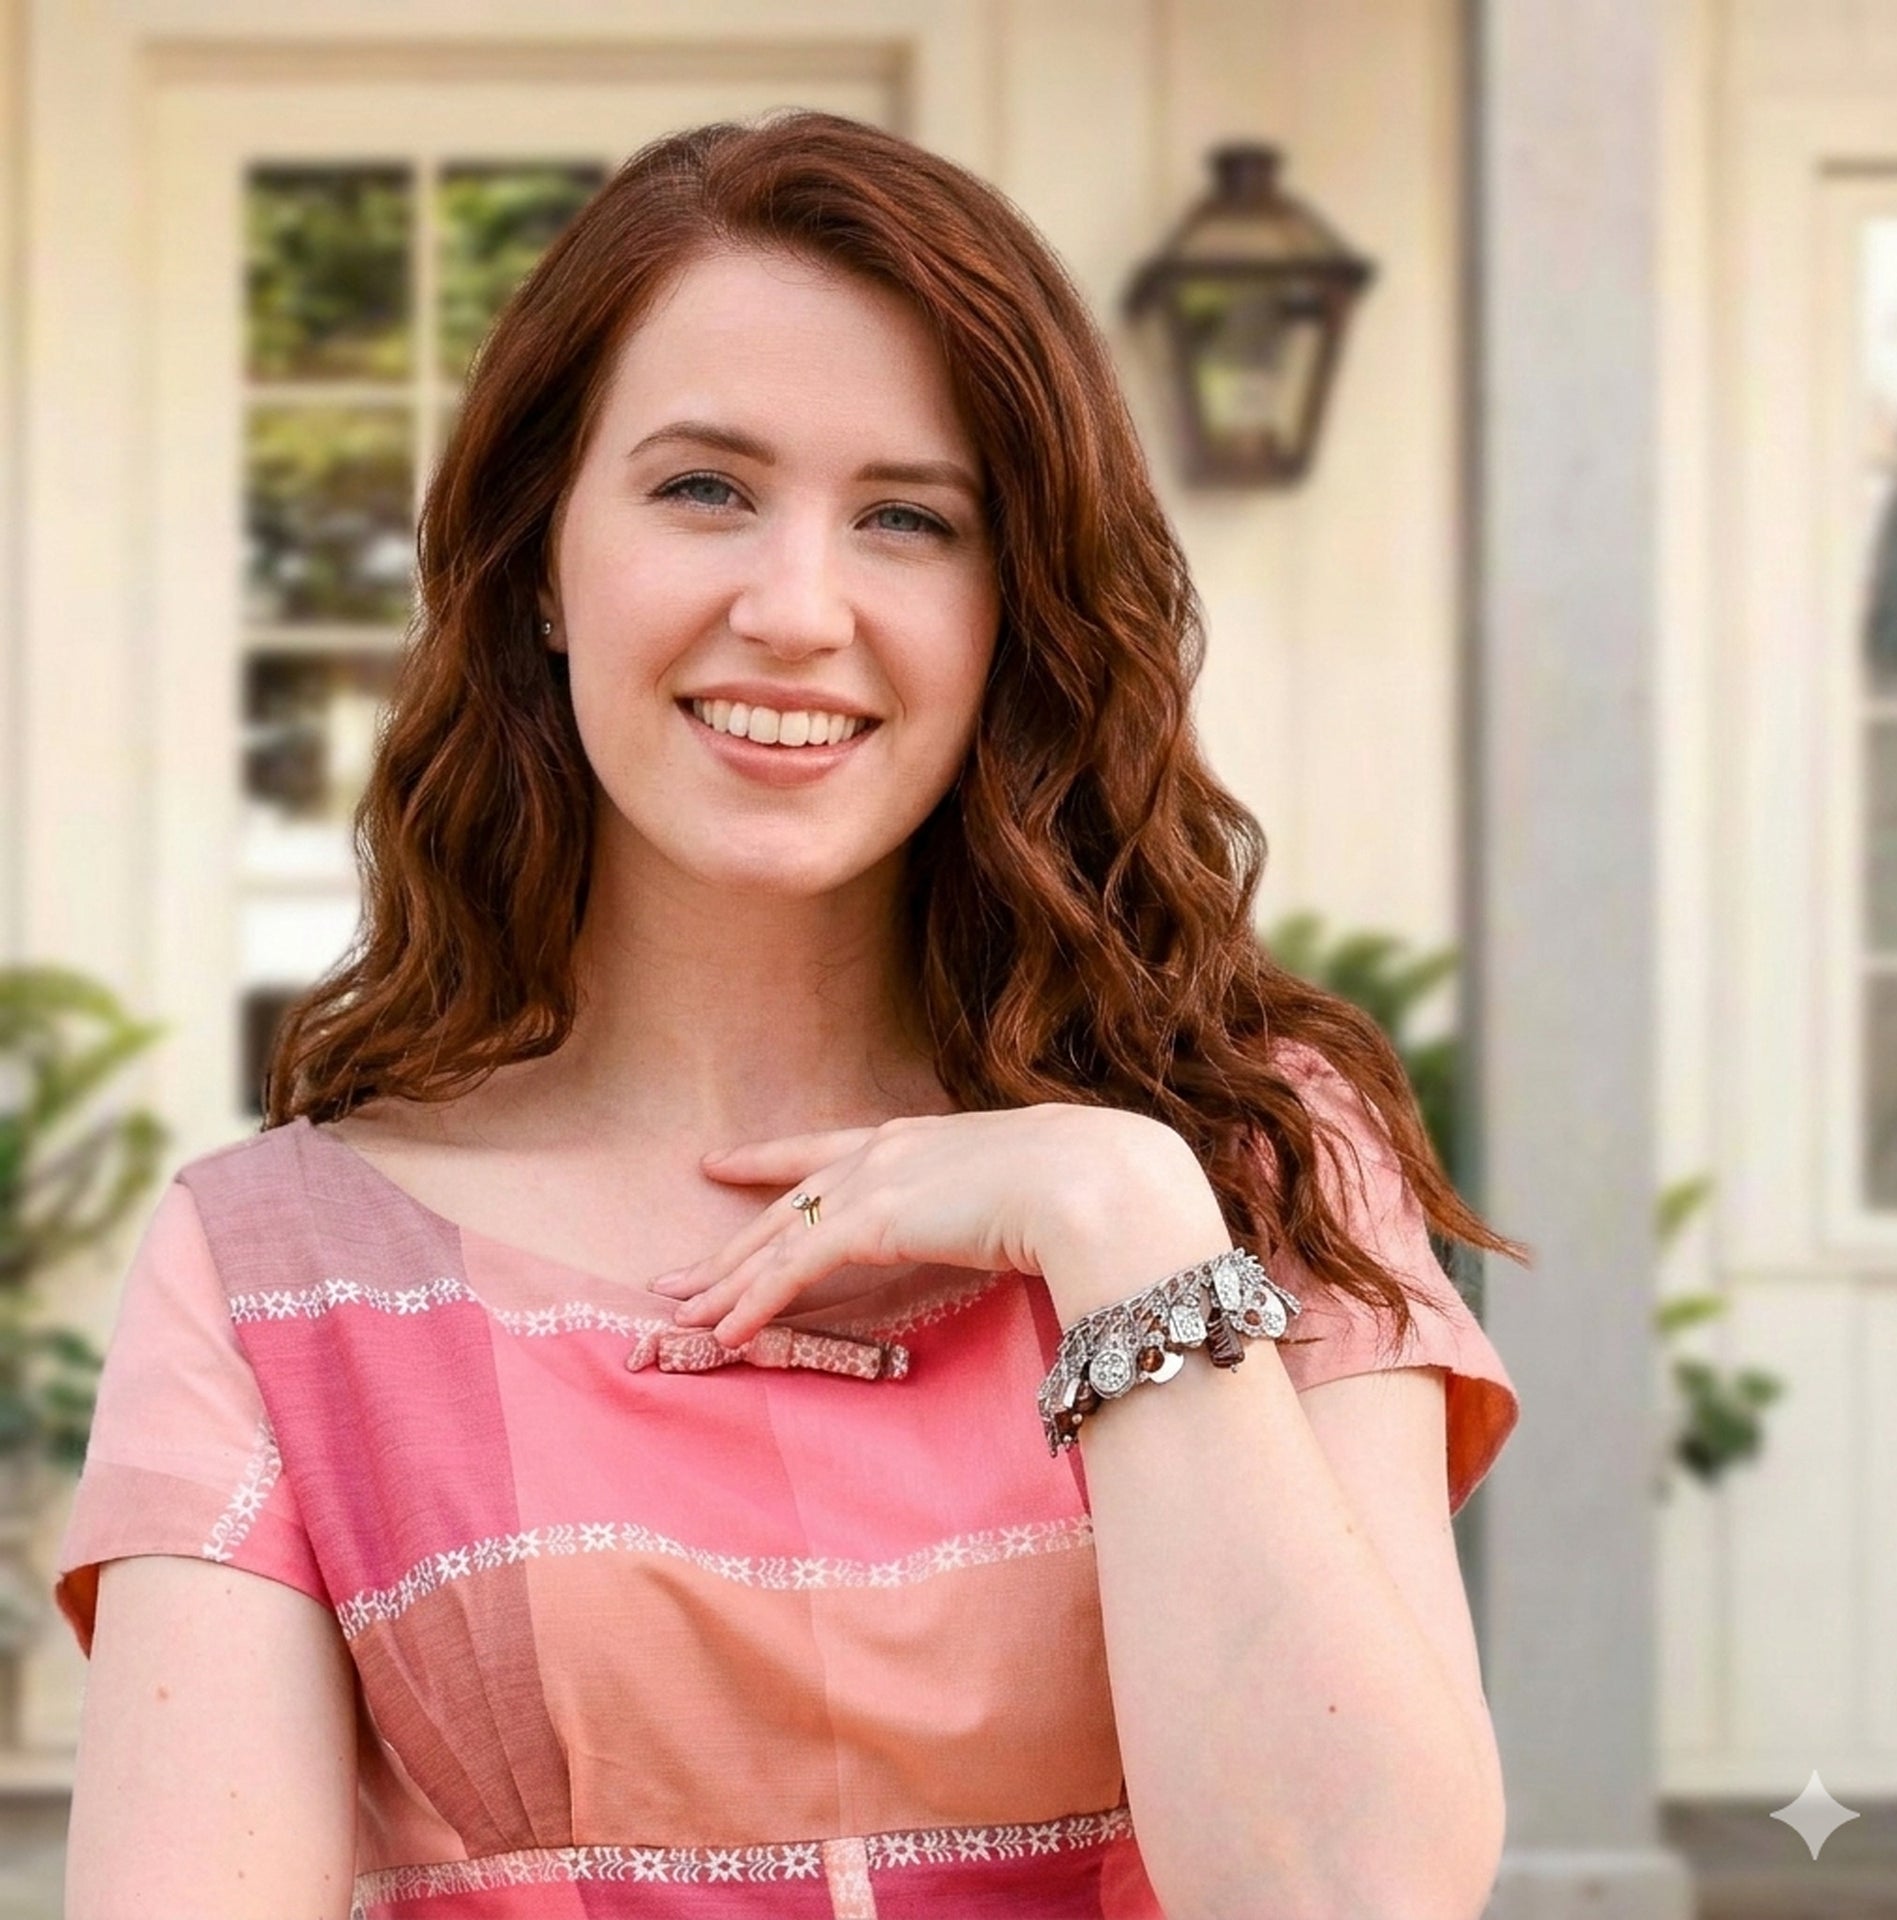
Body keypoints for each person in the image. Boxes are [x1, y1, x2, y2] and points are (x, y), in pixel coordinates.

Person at [54, 109, 1525, 1920]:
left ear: (1018, 611)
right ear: (536, 562)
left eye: (910, 518)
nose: (796, 608)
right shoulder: (275, 1278)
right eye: (703, 489)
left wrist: (1121, 1221)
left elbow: (1360, 1897)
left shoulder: (1258, 1162)